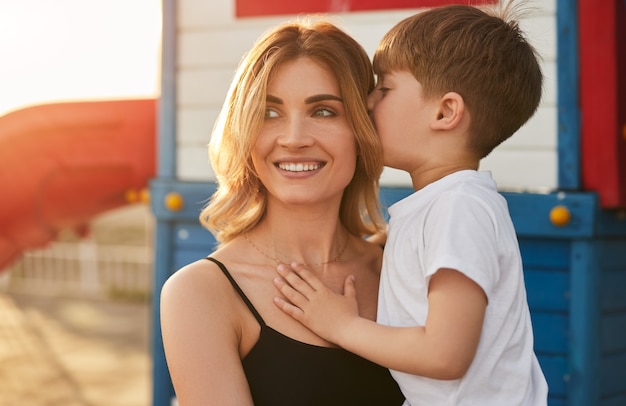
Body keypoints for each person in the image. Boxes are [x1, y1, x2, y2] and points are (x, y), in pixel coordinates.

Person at [273, 3, 549, 405]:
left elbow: (445, 355)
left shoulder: (458, 209)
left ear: (445, 111)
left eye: (384, 88)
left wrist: (341, 325)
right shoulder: (447, 205)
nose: (367, 102)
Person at [159, 18, 405, 406]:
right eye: (268, 113)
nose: (293, 138)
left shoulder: (402, 266)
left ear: (363, 130)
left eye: (323, 111)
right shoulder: (202, 293)